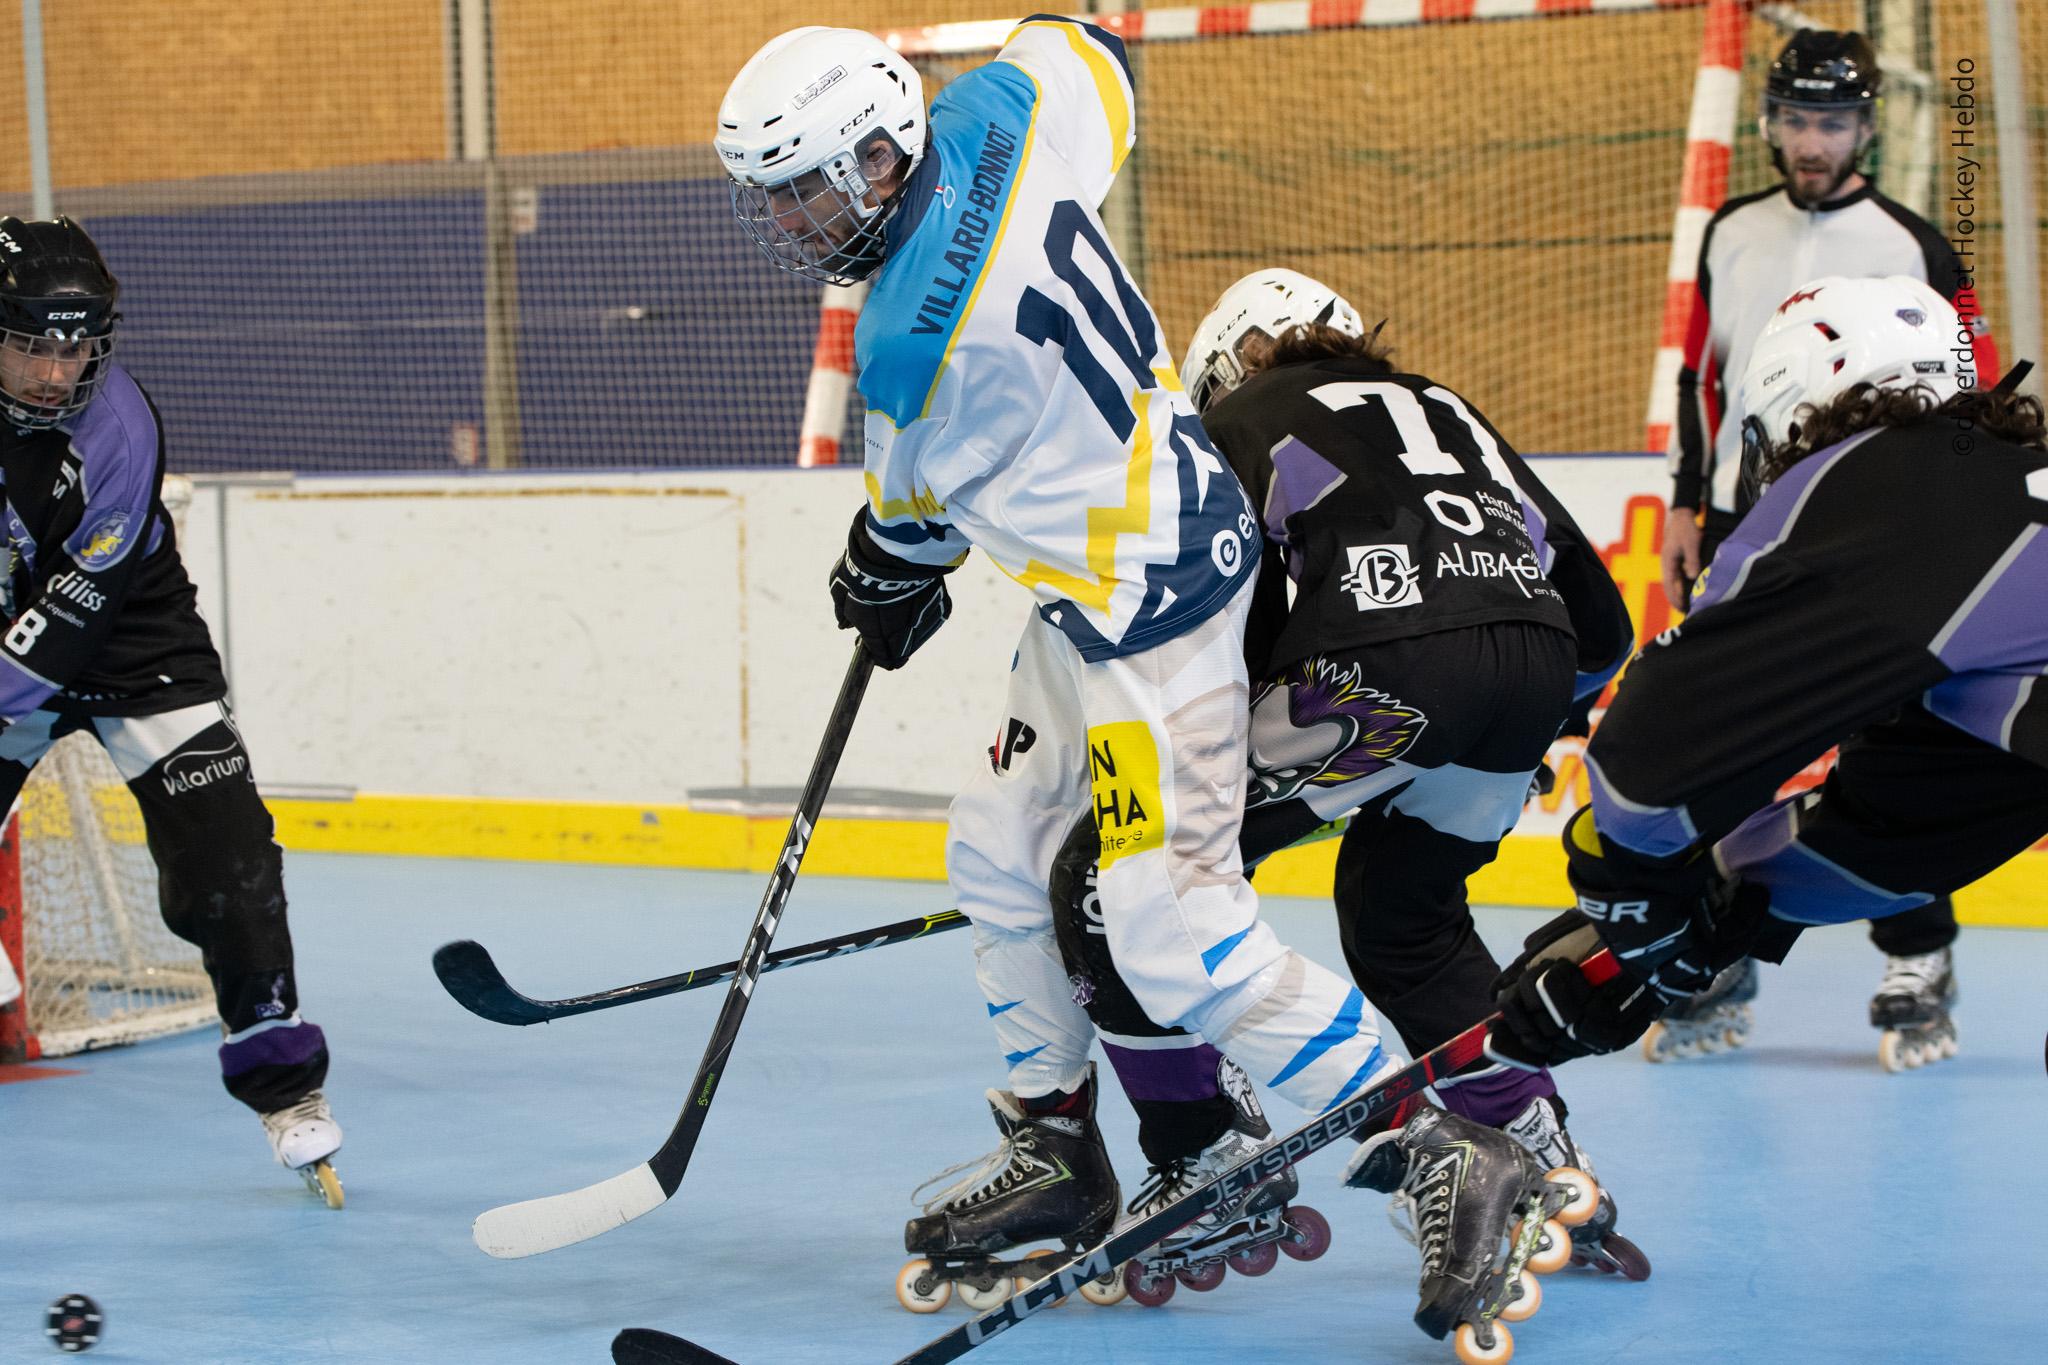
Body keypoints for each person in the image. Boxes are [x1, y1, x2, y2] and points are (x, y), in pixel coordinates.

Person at [716, 21, 1579, 1353]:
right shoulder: (1000, 111)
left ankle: (1444, 1146)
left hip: (1154, 610)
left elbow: (911, 527)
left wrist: (881, 575)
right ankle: (1054, 1142)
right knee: (995, 844)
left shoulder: (911, 352)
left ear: (883, 154)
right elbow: (1092, 49)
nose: (791, 221)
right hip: (1105, 573)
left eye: (808, 190)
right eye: (772, 197)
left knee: (1170, 925)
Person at [1045, 269, 1646, 1297]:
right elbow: (1601, 623)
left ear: (1226, 364)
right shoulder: (1444, 404)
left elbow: (1223, 618)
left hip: (1376, 676)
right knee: (1405, 917)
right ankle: (1541, 1154)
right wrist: (1520, 713)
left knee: (1109, 870)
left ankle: (1204, 1155)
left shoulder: (1230, 419)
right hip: (1533, 671)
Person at [1490, 274, 2042, 1082]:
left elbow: (1643, 777)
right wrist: (1725, 900)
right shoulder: (1999, 517)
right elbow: (1902, 832)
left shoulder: (1862, 485)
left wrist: (1631, 907)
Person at [1655, 29, 1997, 1063]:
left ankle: (1917, 955)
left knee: (1894, 741)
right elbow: (1700, 378)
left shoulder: (1914, 245)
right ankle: (1718, 955)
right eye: (1797, 119)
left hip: (1876, 532)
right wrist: (1685, 502)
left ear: (1865, 130)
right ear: (1769, 122)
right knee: (1727, 735)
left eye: (1833, 122)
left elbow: (1973, 390)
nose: (1812, 141)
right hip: (1742, 519)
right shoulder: (1728, 232)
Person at [0, 216, 342, 1206]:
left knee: (231, 865)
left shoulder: (118, 426)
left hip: (135, 646)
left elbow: (71, 618)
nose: (56, 374)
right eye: (31, 346)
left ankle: (285, 1089)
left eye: (75, 349)